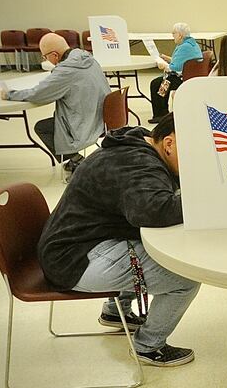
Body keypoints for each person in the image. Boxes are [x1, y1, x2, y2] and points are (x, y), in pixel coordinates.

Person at [37, 113, 201, 367]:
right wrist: (207, 197)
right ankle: (148, 346)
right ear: (169, 144)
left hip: (71, 246)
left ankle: (116, 312)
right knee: (185, 278)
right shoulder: (138, 164)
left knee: (149, 248)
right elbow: (153, 211)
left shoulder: (139, 146)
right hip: (74, 261)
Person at [1, 32, 108, 172]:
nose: (45, 59)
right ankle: (75, 160)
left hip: (85, 123)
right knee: (55, 120)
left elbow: (38, 94)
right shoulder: (87, 58)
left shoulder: (66, 71)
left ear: (54, 55)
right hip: (102, 118)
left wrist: (10, 94)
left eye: (45, 57)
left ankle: (77, 161)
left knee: (42, 127)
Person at [149, 22, 203, 123]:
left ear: (180, 35)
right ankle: (162, 113)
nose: (172, 35)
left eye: (174, 33)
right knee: (162, 82)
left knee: (157, 83)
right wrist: (166, 58)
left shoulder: (184, 47)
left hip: (183, 78)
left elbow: (175, 68)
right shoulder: (190, 44)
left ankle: (160, 114)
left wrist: (163, 65)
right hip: (189, 75)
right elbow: (181, 61)